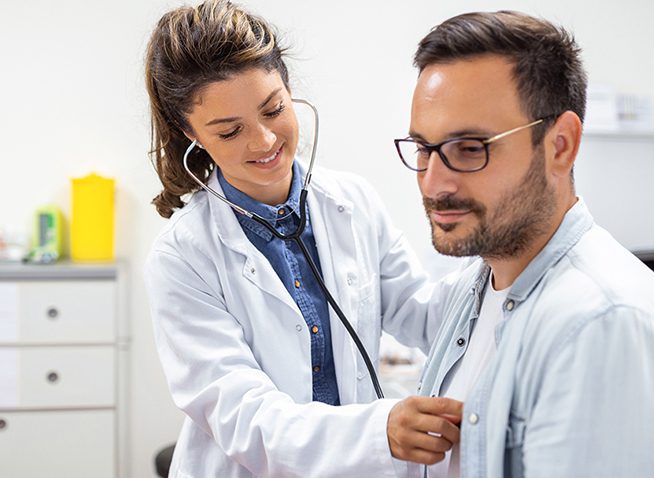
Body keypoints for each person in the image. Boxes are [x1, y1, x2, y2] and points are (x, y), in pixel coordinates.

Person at [394, 10, 654, 477]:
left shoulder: (603, 326)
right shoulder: (478, 284)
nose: (434, 183)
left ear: (560, 145)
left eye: (470, 148)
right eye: (424, 149)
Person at [143, 1, 462, 476]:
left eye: (273, 109)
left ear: (290, 91)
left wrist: (497, 252)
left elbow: (421, 312)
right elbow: (245, 417)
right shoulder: (181, 257)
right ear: (190, 134)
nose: (264, 141)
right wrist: (376, 432)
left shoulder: (351, 202)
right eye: (229, 132)